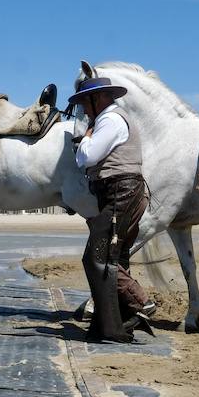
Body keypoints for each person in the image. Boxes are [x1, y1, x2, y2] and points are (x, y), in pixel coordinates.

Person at [70, 75, 155, 342]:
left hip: (120, 193)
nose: (83, 109)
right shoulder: (113, 118)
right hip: (123, 193)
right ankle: (113, 325)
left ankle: (140, 303)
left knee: (97, 258)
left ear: (99, 99)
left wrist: (85, 137)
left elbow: (86, 157)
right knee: (111, 257)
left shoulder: (109, 120)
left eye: (85, 102)